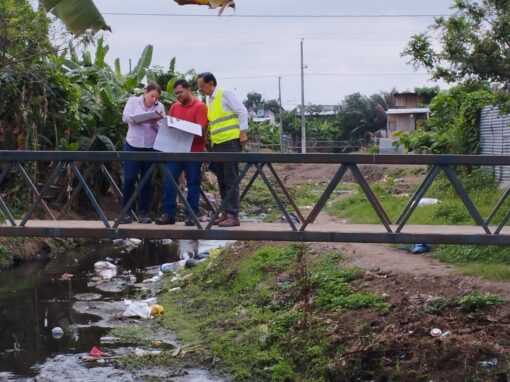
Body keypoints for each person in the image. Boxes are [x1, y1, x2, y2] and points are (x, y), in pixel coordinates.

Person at [197, 72, 248, 227]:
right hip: (218, 144)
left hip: (231, 142)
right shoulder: (209, 99)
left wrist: (243, 132)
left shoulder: (224, 93)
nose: (201, 89)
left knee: (231, 179)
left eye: (202, 86)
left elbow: (242, 111)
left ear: (211, 83)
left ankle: (233, 215)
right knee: (222, 180)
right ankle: (226, 212)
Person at [156, 79, 208, 225]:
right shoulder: (174, 107)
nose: (178, 95)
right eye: (176, 93)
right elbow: (171, 128)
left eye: (180, 92)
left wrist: (183, 128)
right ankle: (168, 213)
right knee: (169, 179)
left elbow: (201, 130)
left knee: (193, 182)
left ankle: (191, 214)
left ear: (189, 89)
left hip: (193, 151)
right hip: (176, 149)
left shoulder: (200, 106)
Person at [119, 82, 165, 224]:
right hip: (133, 145)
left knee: (146, 180)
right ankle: (126, 212)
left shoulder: (160, 107)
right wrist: (139, 118)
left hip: (150, 146)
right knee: (129, 178)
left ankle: (143, 213)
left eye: (156, 97)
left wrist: (153, 122)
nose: (153, 100)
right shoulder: (133, 101)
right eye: (152, 96)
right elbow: (125, 117)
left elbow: (163, 129)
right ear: (145, 92)